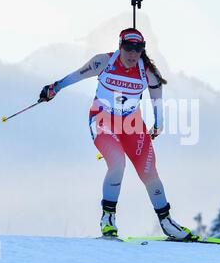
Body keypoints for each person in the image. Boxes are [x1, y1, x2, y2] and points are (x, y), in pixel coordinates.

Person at [39, 28, 196, 240]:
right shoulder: (104, 62)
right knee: (117, 164)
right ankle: (108, 219)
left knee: (149, 172)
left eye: (138, 49)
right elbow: (76, 76)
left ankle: (167, 222)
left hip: (132, 124)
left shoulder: (148, 72)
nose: (133, 54)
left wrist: (158, 125)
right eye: (128, 48)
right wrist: (54, 88)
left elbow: (157, 100)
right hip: (102, 119)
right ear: (120, 46)